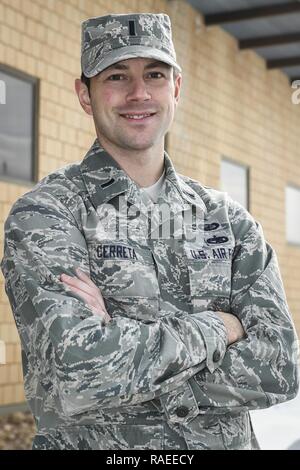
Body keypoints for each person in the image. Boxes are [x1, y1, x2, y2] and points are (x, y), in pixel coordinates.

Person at [1, 12, 299, 451]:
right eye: (117, 76)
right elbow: (80, 370)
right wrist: (218, 328)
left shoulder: (228, 221)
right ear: (85, 94)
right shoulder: (46, 215)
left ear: (175, 88)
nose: (138, 93)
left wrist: (122, 349)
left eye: (154, 74)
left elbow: (281, 368)